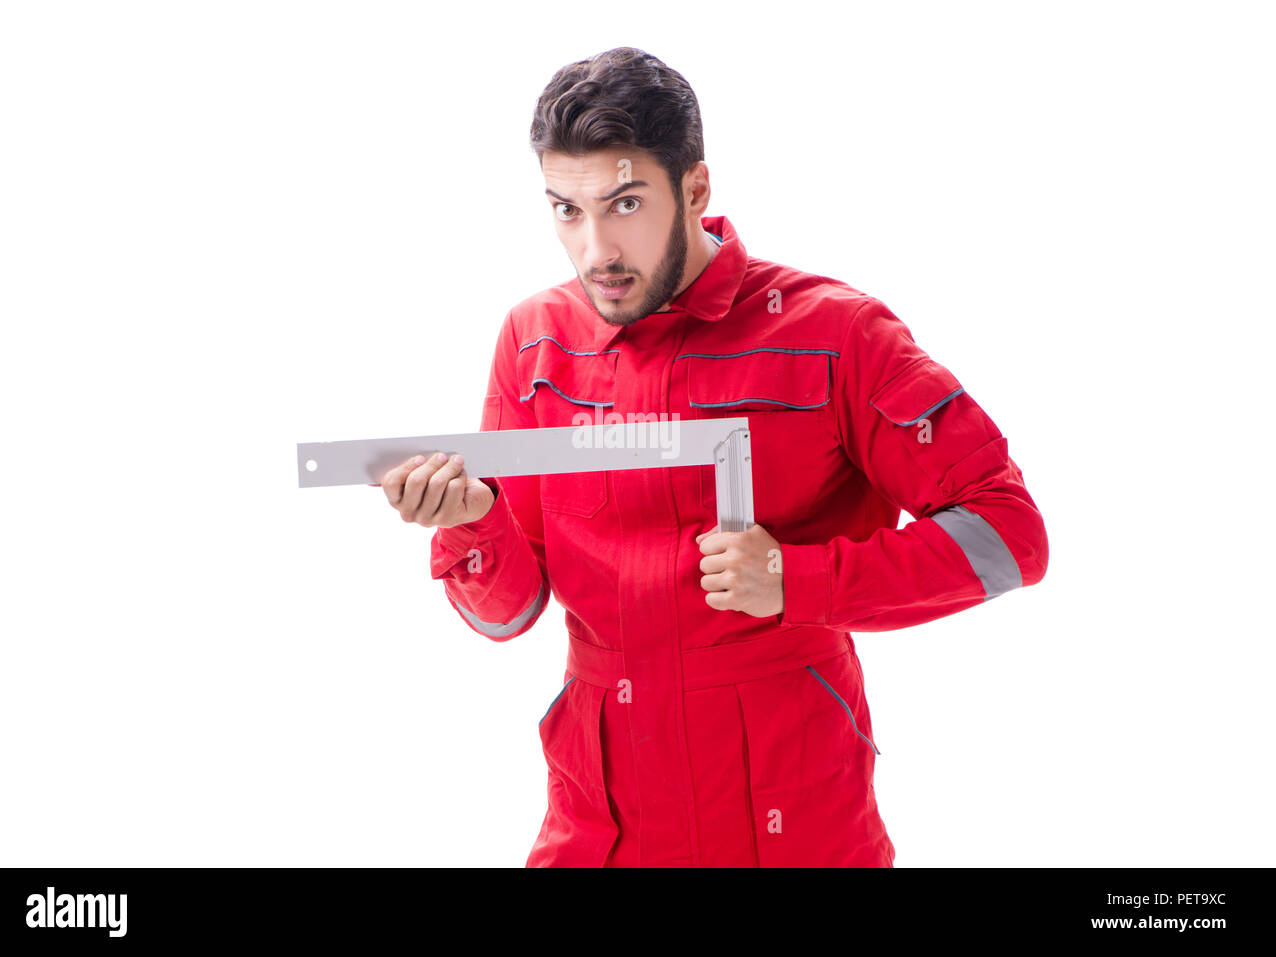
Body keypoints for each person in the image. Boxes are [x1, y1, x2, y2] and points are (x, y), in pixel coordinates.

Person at [377, 47, 1048, 867]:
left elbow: (1011, 533)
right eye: (566, 210)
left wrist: (800, 582)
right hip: (603, 825)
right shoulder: (534, 341)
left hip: (794, 821)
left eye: (624, 203)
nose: (595, 251)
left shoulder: (834, 333)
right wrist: (474, 525)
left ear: (695, 189)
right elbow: (507, 614)